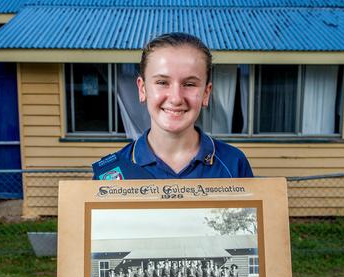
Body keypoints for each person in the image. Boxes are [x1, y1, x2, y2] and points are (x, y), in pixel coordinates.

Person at [92, 32, 253, 180]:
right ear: (142, 89)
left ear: (206, 93)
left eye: (189, 84)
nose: (176, 98)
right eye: (162, 82)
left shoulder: (234, 164)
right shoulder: (111, 173)